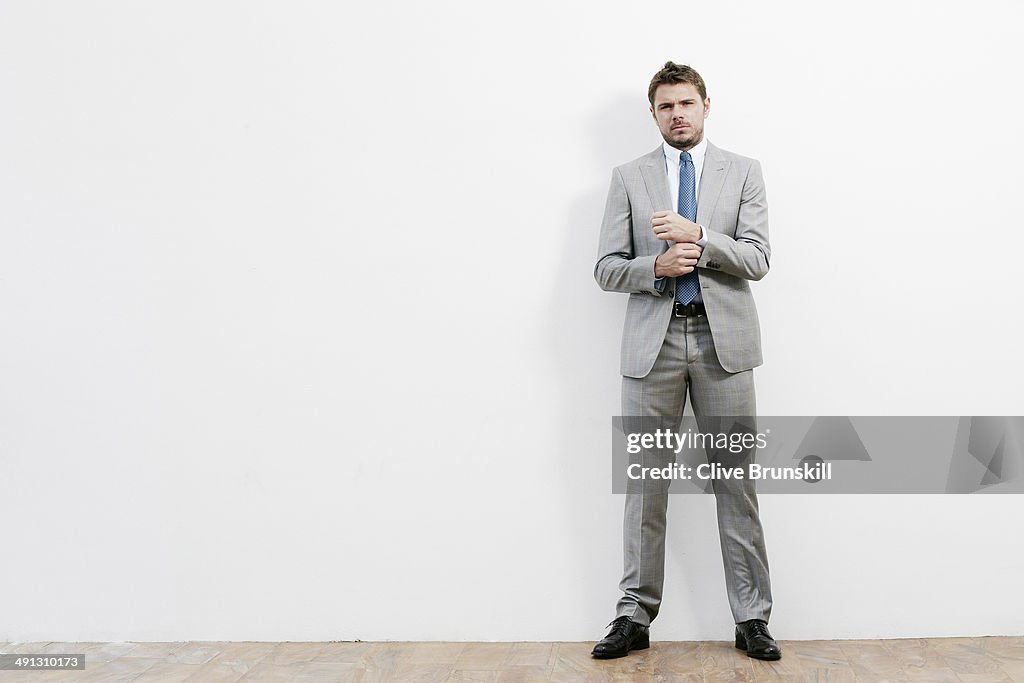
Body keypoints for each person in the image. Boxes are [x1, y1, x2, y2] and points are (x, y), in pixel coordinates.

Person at [591, 61, 781, 661]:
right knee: (645, 487)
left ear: (705, 107)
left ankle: (752, 618)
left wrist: (697, 240)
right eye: (667, 105)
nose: (678, 113)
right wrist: (654, 269)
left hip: (725, 345)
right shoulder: (629, 176)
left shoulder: (744, 172)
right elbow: (606, 267)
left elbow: (757, 259)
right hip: (655, 347)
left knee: (735, 483)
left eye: (687, 103)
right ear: (654, 113)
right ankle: (633, 615)